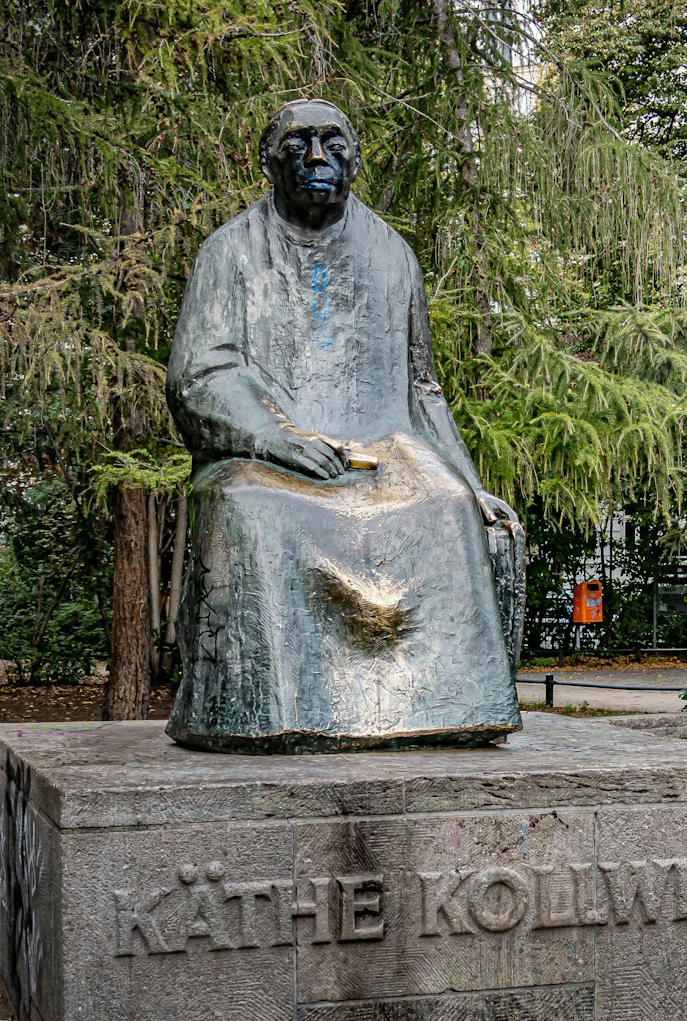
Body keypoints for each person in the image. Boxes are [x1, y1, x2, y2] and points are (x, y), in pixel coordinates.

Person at [163, 99, 523, 752]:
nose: (317, 157)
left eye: (333, 143)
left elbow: (423, 389)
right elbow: (200, 374)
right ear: (270, 162)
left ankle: (449, 710)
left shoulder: (393, 255)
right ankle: (267, 716)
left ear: (354, 159)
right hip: (264, 455)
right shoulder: (229, 252)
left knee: (448, 508)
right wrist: (278, 439)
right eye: (298, 144)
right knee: (250, 508)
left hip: (385, 450)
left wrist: (471, 484)